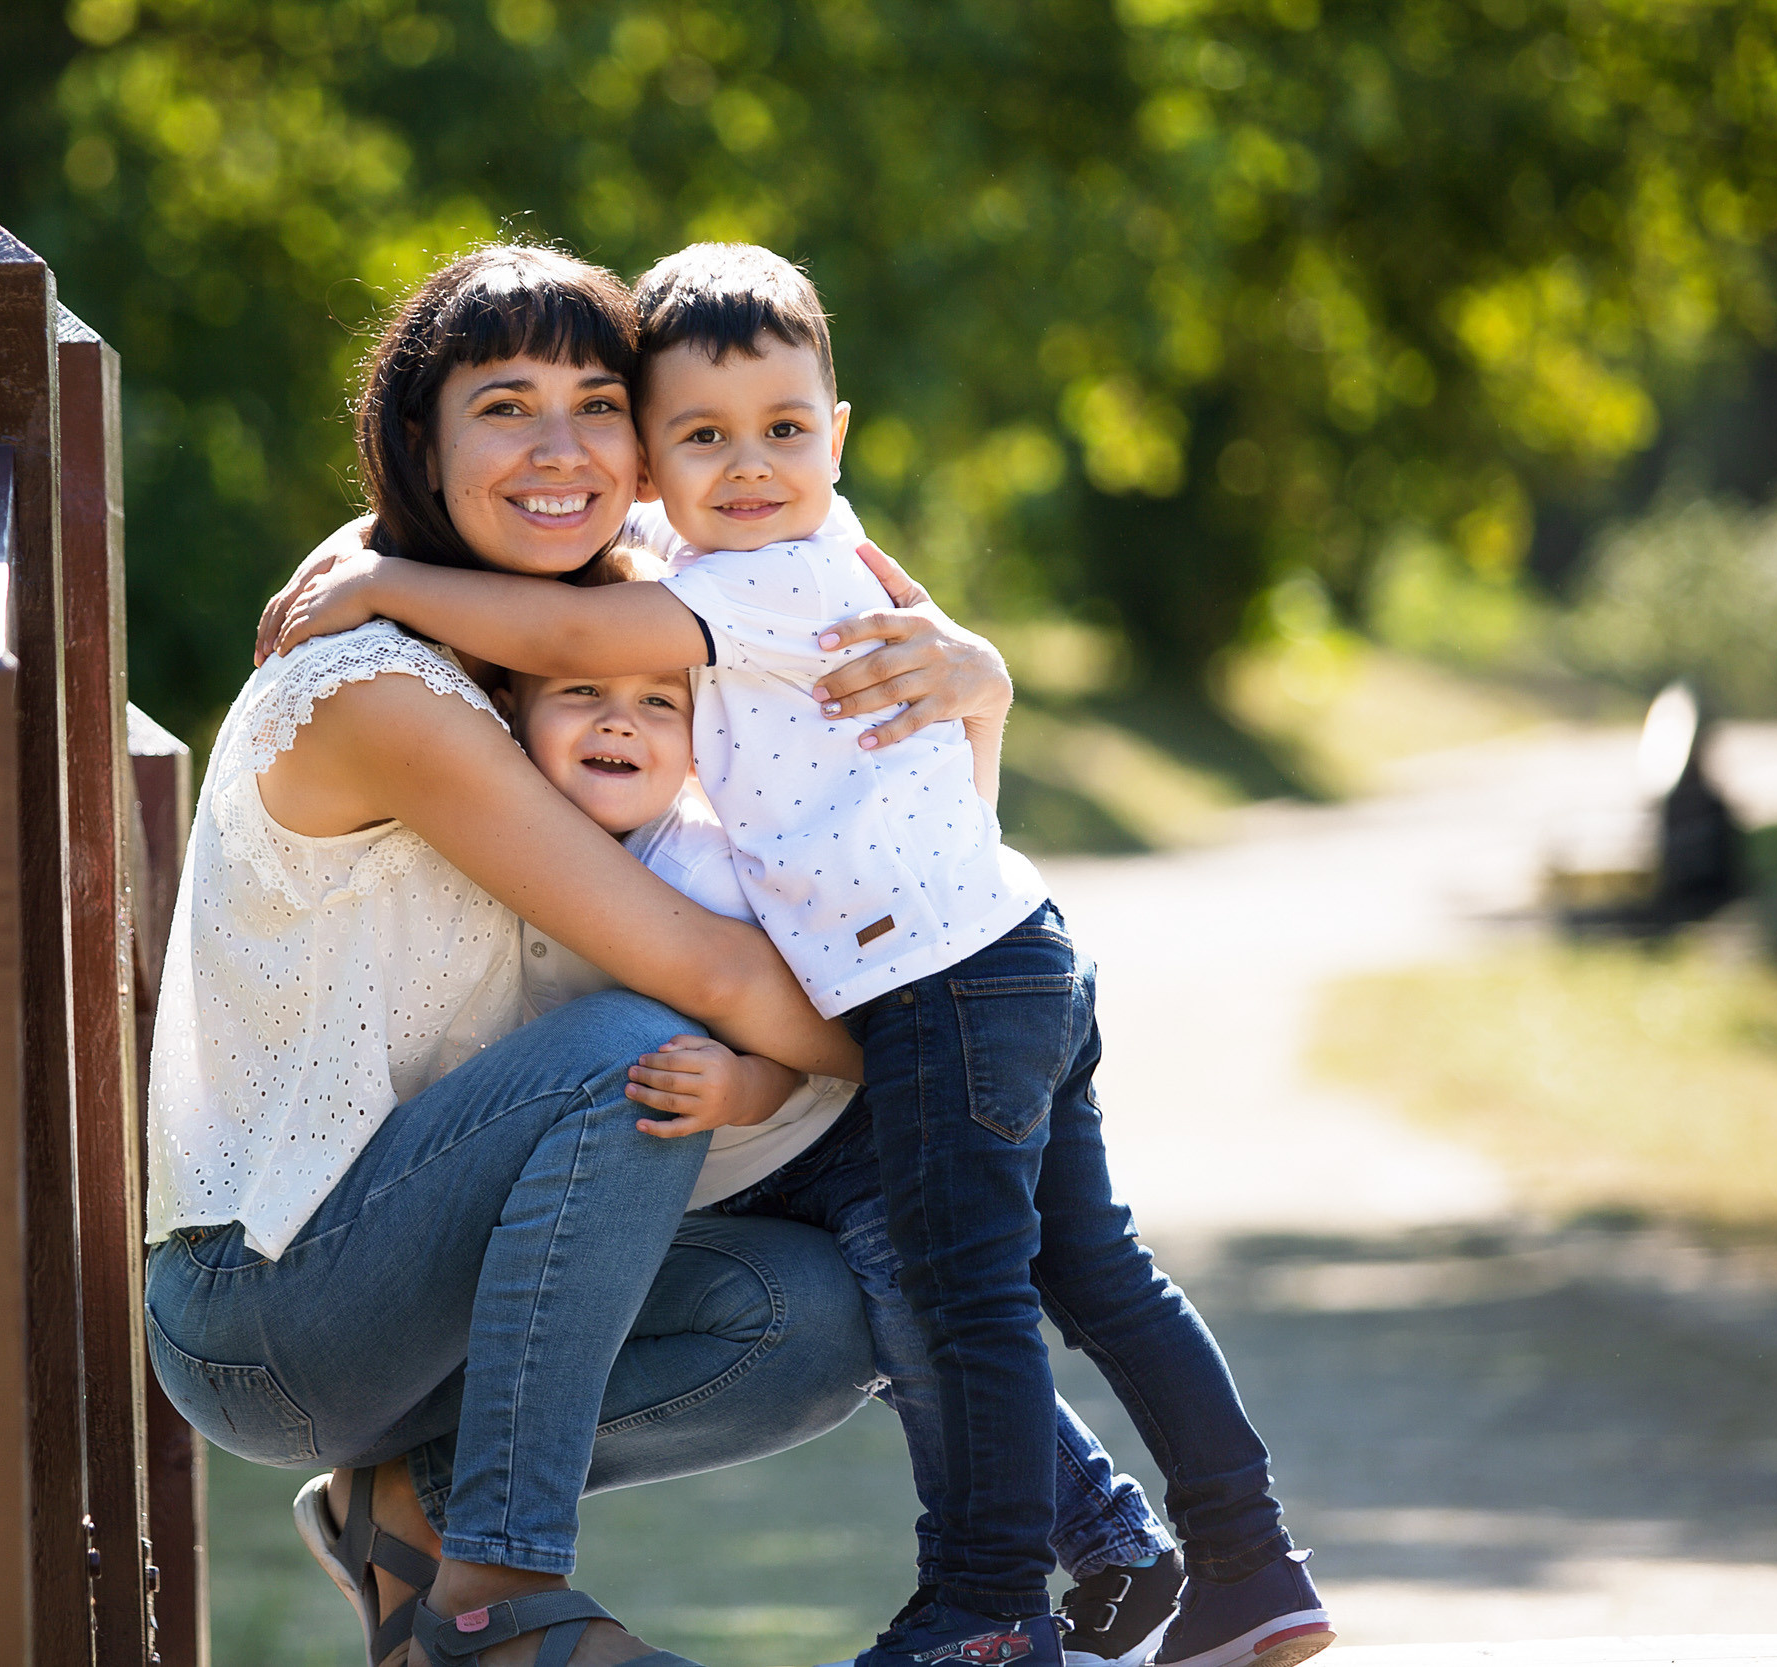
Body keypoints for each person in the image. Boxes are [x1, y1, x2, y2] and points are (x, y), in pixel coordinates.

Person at [271, 242, 1332, 1667]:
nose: (751, 461)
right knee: (1096, 1274)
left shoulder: (759, 581)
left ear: (836, 435)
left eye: (784, 430)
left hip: (946, 987)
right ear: (652, 463)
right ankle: (1244, 1558)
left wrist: (386, 582)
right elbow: (599, 607)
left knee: (970, 1296)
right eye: (702, 435)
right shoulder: (759, 567)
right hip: (1006, 952)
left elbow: (574, 620)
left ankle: (990, 1603)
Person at [144, 243, 1022, 1667]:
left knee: (823, 1313)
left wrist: (982, 684)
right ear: (418, 446)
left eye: (597, 402)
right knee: (639, 1046)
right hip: (270, 1303)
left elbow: (858, 700)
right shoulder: (383, 687)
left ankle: (405, 1513)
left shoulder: (604, 619)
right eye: (504, 406)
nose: (561, 449)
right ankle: (497, 1605)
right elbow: (723, 974)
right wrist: (966, 1058)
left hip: (429, 1283)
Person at [495, 544, 1185, 1667]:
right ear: (515, 707)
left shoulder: (709, 862)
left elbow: (842, 1015)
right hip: (743, 1178)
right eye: (581, 692)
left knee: (925, 1337)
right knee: (898, 1335)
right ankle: (1109, 1546)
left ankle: (1093, 1550)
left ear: (702, 732)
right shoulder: (514, 848)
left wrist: (744, 1083)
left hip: (834, 1139)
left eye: (656, 703)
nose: (619, 722)